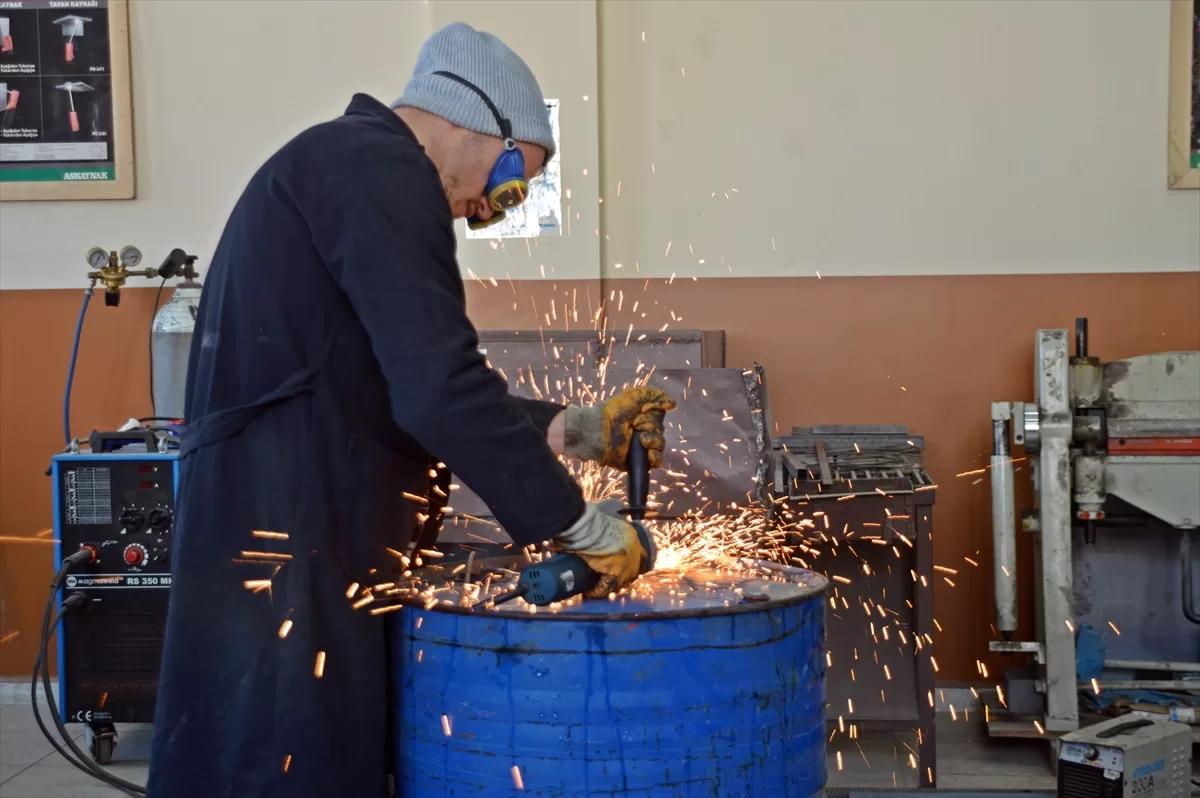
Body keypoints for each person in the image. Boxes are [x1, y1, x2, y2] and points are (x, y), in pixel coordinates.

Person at [147, 22, 675, 798]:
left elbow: (391, 388)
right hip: (289, 533)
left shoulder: (348, 165)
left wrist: (576, 429)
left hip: (296, 520)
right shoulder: (378, 168)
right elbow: (438, 388)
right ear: (471, 117)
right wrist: (579, 525)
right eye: (509, 182)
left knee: (284, 751)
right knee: (282, 760)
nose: (486, 213)